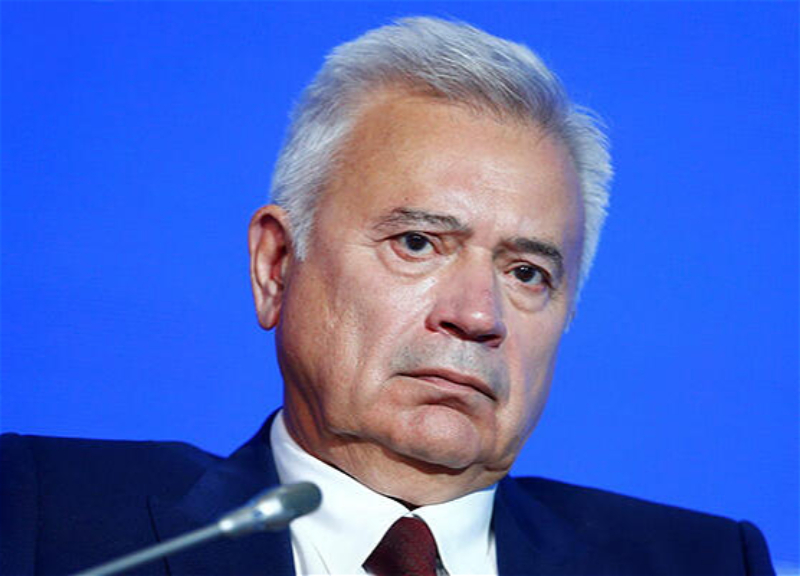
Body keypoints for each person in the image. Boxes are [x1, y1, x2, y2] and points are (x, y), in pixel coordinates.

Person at [0, 16, 775, 576]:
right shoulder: (45, 516)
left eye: (526, 273)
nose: (477, 315)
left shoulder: (704, 562)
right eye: (417, 243)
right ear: (276, 265)